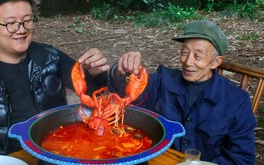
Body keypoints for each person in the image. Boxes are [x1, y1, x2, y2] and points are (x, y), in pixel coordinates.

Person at [0, 0, 110, 160]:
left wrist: (94, 74)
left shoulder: (51, 57)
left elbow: (91, 92)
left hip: (55, 152)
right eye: (10, 23)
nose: (21, 29)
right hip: (2, 157)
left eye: (27, 20)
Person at [108, 20, 256, 164]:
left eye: (197, 56)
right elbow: (124, 95)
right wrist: (120, 70)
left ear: (216, 62)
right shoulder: (163, 80)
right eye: (185, 52)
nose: (187, 61)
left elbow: (242, 158)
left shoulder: (237, 101)